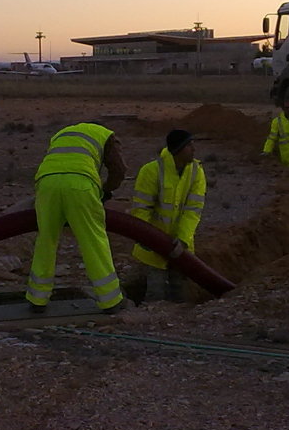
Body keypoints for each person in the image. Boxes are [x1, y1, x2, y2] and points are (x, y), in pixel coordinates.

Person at [26, 122, 128, 313]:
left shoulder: (61, 134)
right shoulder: (106, 135)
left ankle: (37, 299)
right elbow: (119, 169)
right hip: (80, 184)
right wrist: (107, 190)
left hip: (46, 183)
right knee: (93, 240)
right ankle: (110, 300)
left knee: (46, 239)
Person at [128, 129, 206, 303]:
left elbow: (193, 210)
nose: (194, 149)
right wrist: (147, 238)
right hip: (154, 246)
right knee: (155, 293)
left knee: (181, 293)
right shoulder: (151, 171)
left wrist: (183, 239)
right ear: (178, 149)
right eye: (189, 145)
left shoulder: (196, 172)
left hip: (180, 245)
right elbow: (141, 209)